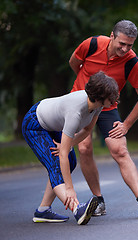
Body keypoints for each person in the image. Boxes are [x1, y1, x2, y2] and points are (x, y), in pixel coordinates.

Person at [68, 19, 138, 217]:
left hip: (107, 107)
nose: (125, 48)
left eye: (130, 45)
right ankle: (98, 200)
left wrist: (126, 124)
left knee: (120, 150)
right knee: (84, 148)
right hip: (81, 102)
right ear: (112, 36)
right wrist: (87, 85)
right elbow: (74, 63)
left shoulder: (132, 62)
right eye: (122, 43)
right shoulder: (92, 44)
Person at [22, 72, 119, 225]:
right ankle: (77, 209)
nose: (114, 100)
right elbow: (62, 154)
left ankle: (43, 210)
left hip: (52, 125)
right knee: (56, 163)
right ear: (100, 96)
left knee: (71, 161)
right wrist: (70, 188)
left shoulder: (98, 106)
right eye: (111, 97)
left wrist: (66, 145)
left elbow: (87, 131)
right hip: (35, 125)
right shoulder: (75, 112)